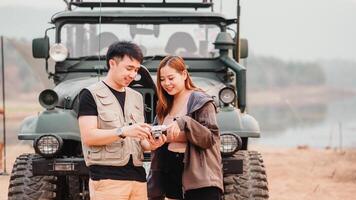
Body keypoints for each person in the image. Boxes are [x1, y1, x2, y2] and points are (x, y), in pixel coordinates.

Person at [78, 41, 165, 200]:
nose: (133, 75)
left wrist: (151, 145)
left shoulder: (136, 97)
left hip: (138, 179)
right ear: (112, 63)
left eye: (136, 69)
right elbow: (88, 137)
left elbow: (139, 142)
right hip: (107, 179)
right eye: (129, 68)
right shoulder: (90, 94)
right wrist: (123, 131)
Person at [148, 56, 223, 200]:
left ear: (183, 74)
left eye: (171, 78)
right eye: (162, 79)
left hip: (199, 177)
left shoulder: (201, 100)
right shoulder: (164, 104)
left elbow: (210, 138)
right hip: (170, 173)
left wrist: (184, 122)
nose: (166, 83)